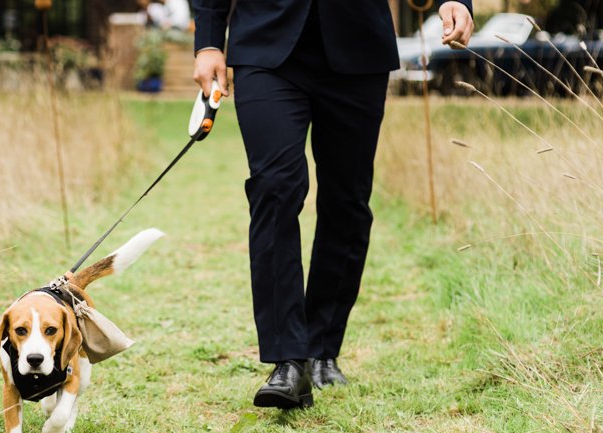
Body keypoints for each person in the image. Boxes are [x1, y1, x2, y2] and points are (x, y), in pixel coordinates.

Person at [192, 0, 473, 409]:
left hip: (358, 47)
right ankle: (287, 359)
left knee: (347, 201)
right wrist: (208, 43)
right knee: (275, 187)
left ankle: (322, 347)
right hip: (266, 45)